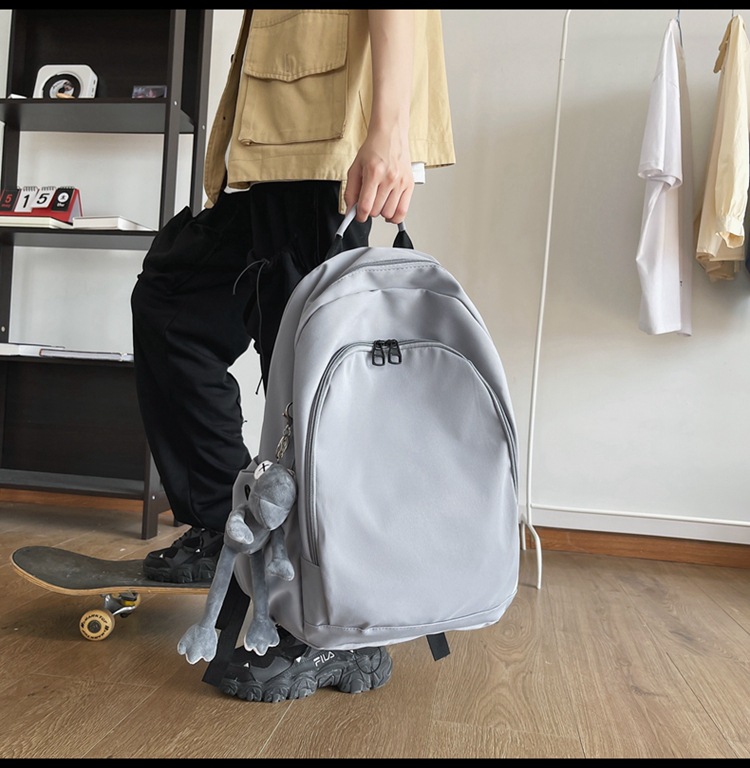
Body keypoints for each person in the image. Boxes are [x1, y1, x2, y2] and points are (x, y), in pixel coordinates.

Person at [130, 9, 455, 702]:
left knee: (316, 379)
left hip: (328, 137)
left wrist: (388, 131)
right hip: (273, 137)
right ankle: (226, 525)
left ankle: (332, 622)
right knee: (172, 306)